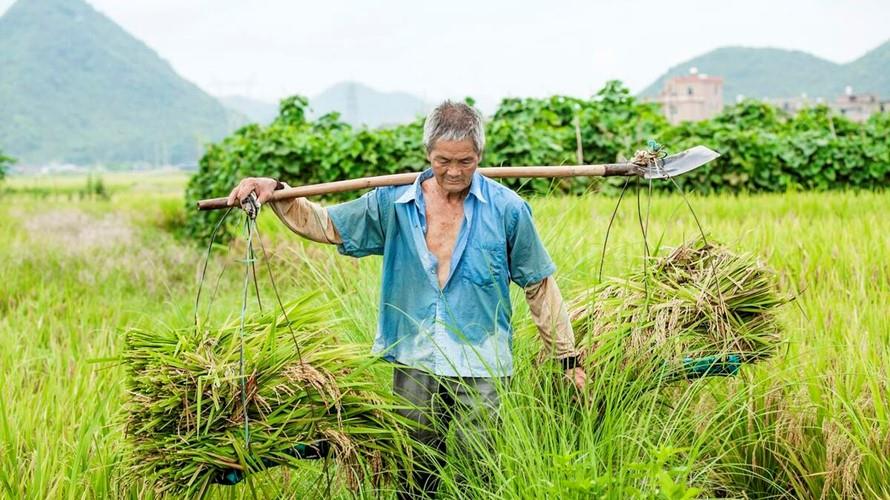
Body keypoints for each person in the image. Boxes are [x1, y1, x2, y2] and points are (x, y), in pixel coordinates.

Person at [228, 100, 587, 498]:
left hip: (482, 364)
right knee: (414, 472)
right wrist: (277, 191)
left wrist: (566, 359)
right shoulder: (394, 204)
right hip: (416, 359)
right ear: (428, 154)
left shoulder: (507, 210)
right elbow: (327, 224)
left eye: (465, 162)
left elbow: (539, 284)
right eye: (443, 161)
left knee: (478, 472)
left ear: (480, 156)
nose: (453, 172)